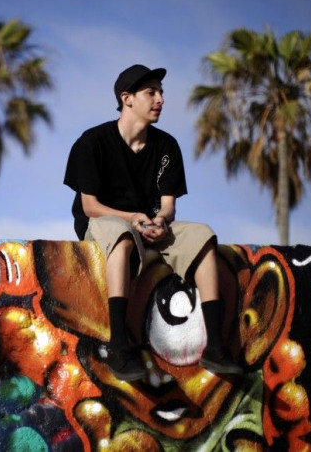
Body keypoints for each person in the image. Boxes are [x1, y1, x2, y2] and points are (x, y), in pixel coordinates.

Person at [63, 64, 242, 381]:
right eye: (151, 93)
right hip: (105, 223)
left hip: (149, 226)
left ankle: (215, 346)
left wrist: (160, 222)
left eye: (161, 93)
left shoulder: (166, 147)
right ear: (127, 98)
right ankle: (119, 344)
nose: (160, 99)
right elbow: (90, 207)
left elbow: (169, 207)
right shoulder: (93, 142)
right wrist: (133, 218)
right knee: (122, 235)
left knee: (202, 234)